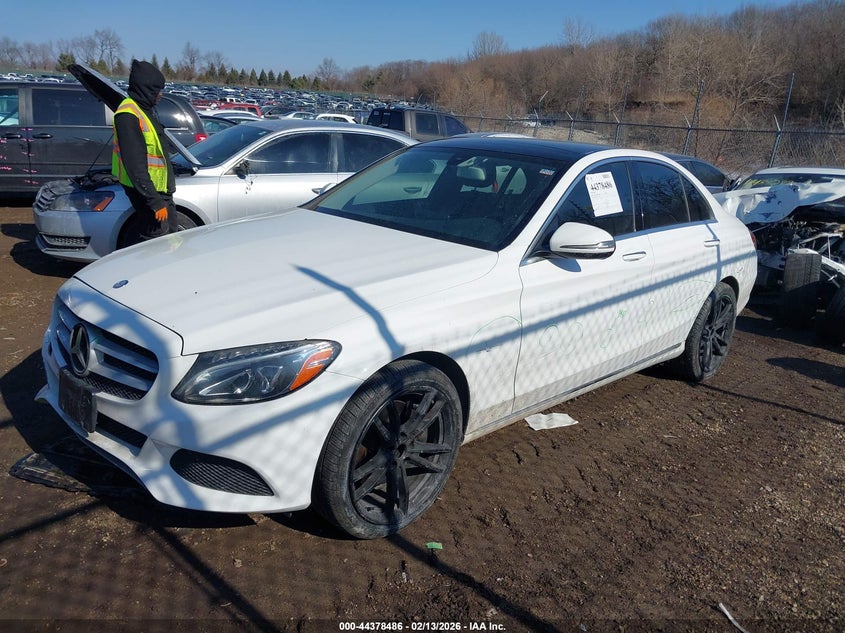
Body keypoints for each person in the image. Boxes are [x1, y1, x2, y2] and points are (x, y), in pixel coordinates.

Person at [112, 59, 177, 244]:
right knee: (157, 241)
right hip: (149, 195)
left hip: (159, 192)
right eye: (157, 90)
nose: (160, 94)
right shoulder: (128, 115)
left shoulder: (144, 110)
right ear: (146, 88)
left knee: (169, 238)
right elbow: (135, 165)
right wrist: (155, 203)